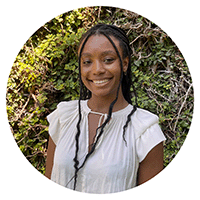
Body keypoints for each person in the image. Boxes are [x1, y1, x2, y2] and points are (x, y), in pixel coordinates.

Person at [45, 24, 166, 194]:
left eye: (108, 60)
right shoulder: (63, 117)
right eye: (87, 62)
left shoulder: (145, 130)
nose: (97, 70)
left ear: (124, 64)